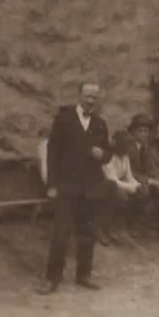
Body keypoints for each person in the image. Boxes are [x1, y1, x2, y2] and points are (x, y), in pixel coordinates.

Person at [40, 81, 111, 294]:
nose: (90, 101)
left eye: (94, 98)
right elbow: (52, 154)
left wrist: (103, 155)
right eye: (87, 96)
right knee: (60, 234)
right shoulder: (64, 119)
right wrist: (52, 184)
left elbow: (108, 153)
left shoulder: (100, 123)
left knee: (87, 233)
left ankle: (84, 275)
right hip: (67, 186)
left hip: (91, 187)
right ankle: (52, 278)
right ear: (79, 96)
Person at [99, 124, 147, 245]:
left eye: (129, 145)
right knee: (120, 196)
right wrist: (131, 187)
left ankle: (128, 226)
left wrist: (137, 185)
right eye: (125, 145)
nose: (127, 148)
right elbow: (112, 179)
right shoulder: (108, 158)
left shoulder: (125, 157)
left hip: (119, 185)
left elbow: (128, 176)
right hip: (105, 186)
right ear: (118, 144)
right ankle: (106, 229)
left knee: (141, 192)